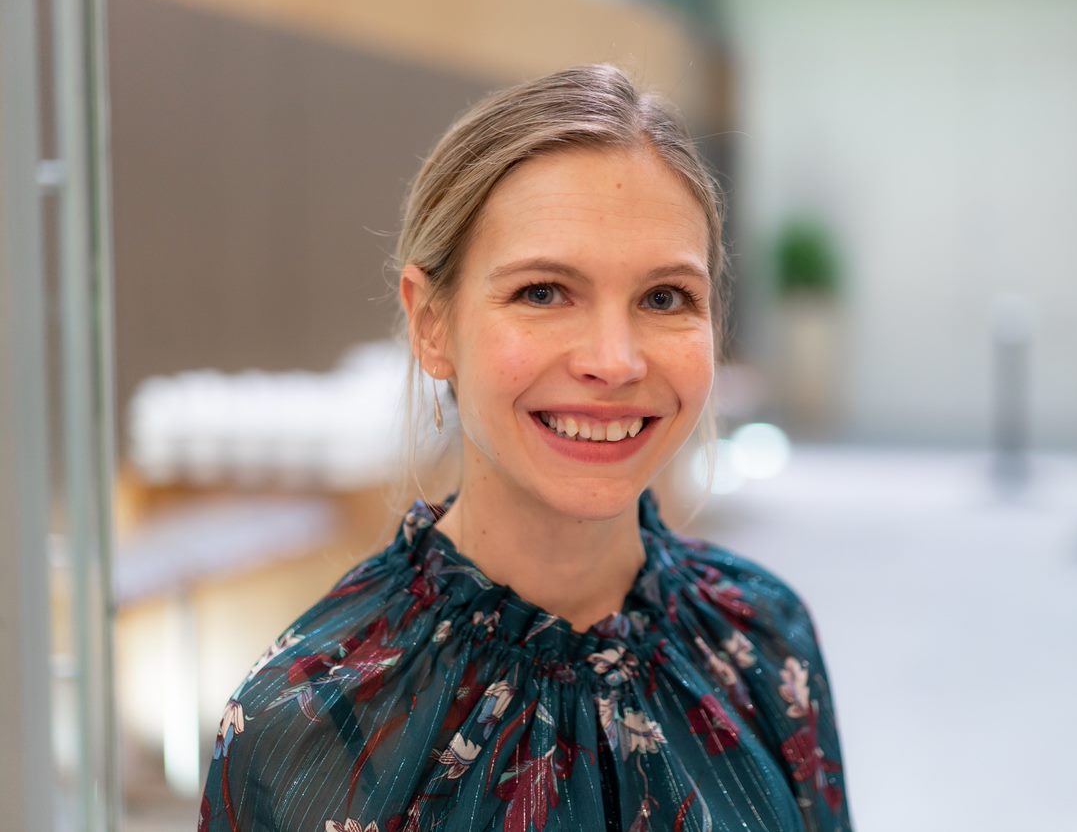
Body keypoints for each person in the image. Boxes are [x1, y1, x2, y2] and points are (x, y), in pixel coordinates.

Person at [199, 64, 853, 832]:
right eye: (543, 292)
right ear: (431, 323)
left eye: (665, 297)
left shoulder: (764, 640)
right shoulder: (309, 719)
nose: (614, 360)